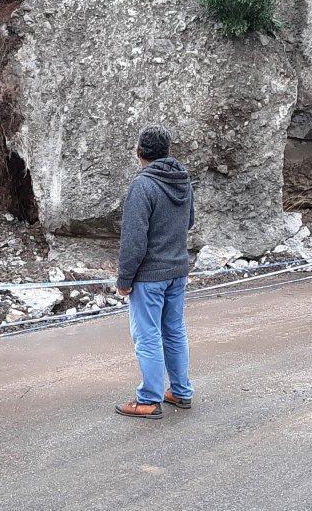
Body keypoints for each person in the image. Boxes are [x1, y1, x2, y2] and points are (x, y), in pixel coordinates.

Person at [114, 125, 196, 419]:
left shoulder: (143, 185)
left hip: (150, 276)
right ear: (167, 151)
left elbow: (134, 240)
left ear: (139, 152)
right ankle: (181, 391)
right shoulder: (183, 180)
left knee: (147, 336)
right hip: (178, 270)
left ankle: (149, 399)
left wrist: (124, 279)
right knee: (174, 331)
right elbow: (188, 222)